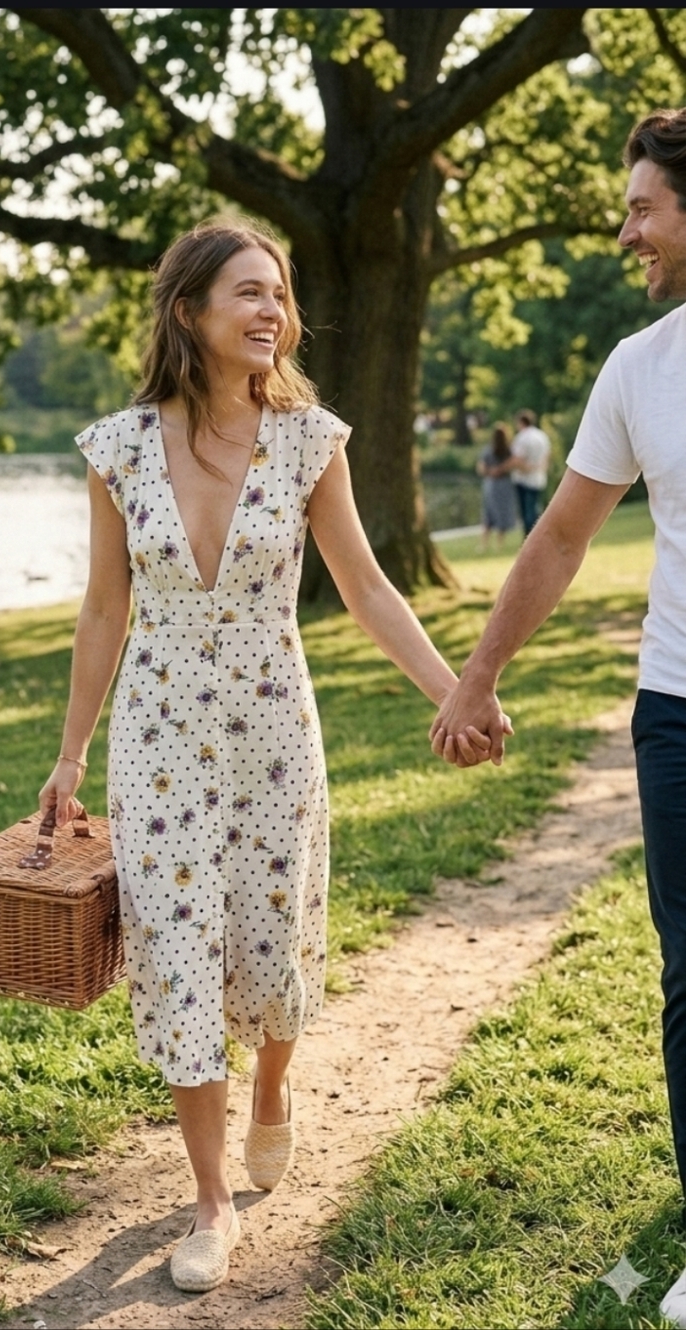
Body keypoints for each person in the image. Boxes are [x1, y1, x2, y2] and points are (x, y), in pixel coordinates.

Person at [41, 218, 467, 1293]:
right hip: (159, 737)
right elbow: (103, 609)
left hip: (275, 728)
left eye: (278, 294)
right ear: (190, 312)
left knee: (273, 942)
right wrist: (70, 756)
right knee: (178, 952)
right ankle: (211, 1202)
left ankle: (274, 1082)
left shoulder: (309, 441)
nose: (271, 311)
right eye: (248, 293)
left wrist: (458, 691)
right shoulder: (119, 448)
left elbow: (367, 588)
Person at [428, 107, 686, 1327]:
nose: (624, 228)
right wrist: (473, 678)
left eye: (642, 205)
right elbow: (562, 535)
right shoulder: (638, 366)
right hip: (678, 708)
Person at [509, 408, 552, 535]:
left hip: (524, 478)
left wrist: (527, 468)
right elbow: (548, 455)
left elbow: (517, 459)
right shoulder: (542, 436)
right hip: (539, 477)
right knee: (535, 507)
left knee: (527, 511)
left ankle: (529, 535)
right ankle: (537, 533)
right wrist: (541, 468)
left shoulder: (522, 438)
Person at [477, 422, 517, 551]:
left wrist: (491, 472)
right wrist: (501, 470)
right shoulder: (509, 450)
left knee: (488, 513)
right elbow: (513, 463)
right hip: (504, 483)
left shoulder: (488, 450)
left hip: (491, 484)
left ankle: (483, 544)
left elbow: (481, 468)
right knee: (502, 512)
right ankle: (499, 544)